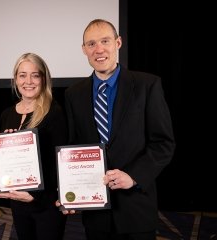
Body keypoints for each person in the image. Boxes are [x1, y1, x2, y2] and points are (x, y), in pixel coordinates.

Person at [57, 19, 175, 240]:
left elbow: (163, 143)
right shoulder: (74, 94)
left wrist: (134, 176)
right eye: (91, 44)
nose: (99, 49)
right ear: (84, 49)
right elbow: (73, 147)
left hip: (136, 208)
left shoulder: (147, 85)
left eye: (105, 41)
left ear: (118, 43)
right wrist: (69, 192)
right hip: (95, 210)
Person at [0, 53, 68, 240]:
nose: (28, 81)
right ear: (15, 79)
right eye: (22, 75)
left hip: (46, 203)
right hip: (18, 202)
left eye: (35, 75)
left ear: (43, 78)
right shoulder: (7, 114)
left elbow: (61, 163)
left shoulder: (54, 112)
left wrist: (36, 196)